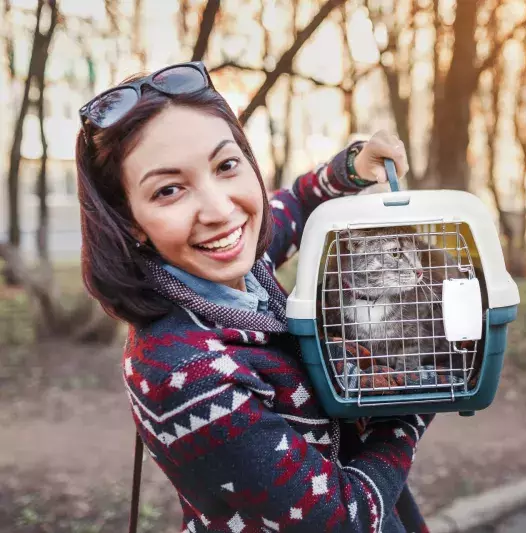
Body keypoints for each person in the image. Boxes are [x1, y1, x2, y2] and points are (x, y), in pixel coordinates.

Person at [76, 60, 433, 533]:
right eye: (169, 190)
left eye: (226, 165)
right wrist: (418, 396)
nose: (221, 211)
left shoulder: (244, 268)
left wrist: (352, 167)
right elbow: (343, 518)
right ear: (131, 221)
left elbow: (299, 203)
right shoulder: (185, 372)